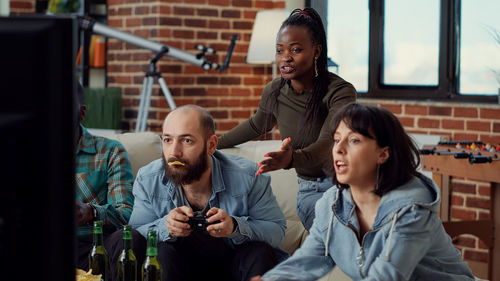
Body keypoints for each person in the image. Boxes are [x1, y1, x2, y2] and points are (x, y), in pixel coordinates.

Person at [252, 103, 474, 281]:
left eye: (354, 140)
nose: (338, 149)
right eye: (337, 139)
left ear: (383, 154)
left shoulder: (410, 209)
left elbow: (388, 275)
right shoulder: (331, 205)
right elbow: (308, 260)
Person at [217, 7, 357, 231]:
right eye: (280, 51)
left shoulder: (340, 92)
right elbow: (256, 124)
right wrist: (213, 143)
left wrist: (291, 159)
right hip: (310, 191)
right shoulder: (275, 91)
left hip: (346, 187)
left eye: (296, 50)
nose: (285, 58)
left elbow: (329, 143)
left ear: (317, 52)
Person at [129, 105, 287, 281]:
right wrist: (166, 227)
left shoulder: (249, 177)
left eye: (187, 140)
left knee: (259, 252)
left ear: (211, 145)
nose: (174, 152)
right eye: (167, 140)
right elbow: (135, 235)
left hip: (232, 262)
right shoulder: (149, 178)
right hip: (178, 265)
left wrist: (235, 227)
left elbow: (276, 231)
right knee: (163, 252)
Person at [74, 83, 146, 280]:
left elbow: (126, 214)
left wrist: (91, 212)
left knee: (130, 239)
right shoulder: (27, 151)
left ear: (81, 113)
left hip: (93, 250)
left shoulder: (110, 151)